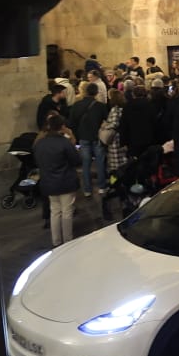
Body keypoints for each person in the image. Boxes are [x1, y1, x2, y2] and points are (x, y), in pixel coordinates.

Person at [33, 115, 81, 247]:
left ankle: (56, 241)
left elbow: (37, 162)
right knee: (67, 211)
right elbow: (76, 161)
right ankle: (68, 241)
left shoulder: (40, 143)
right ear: (62, 126)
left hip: (48, 182)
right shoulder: (64, 143)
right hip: (66, 181)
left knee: (54, 211)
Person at [66, 81, 110, 197]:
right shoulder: (100, 106)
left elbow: (71, 123)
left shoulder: (77, 105)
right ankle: (101, 187)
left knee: (85, 164)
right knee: (100, 162)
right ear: (96, 93)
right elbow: (107, 120)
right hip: (97, 137)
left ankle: (87, 189)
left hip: (83, 137)